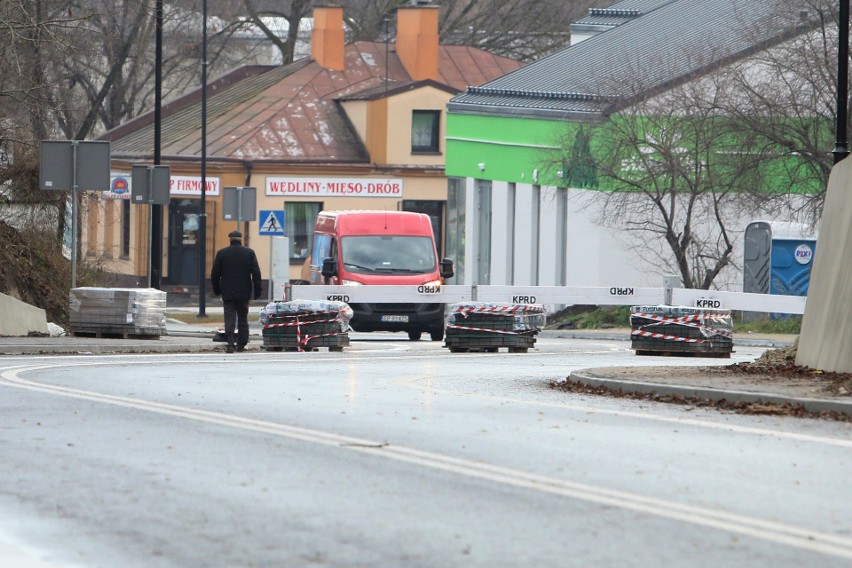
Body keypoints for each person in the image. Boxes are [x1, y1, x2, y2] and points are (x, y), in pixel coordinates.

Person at [211, 230, 262, 353]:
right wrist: (257, 290)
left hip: (227, 292)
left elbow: (215, 274)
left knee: (229, 318)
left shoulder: (222, 253)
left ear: (230, 239)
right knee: (243, 318)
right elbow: (256, 273)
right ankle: (241, 344)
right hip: (244, 291)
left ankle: (230, 343)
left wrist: (217, 290)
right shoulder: (249, 253)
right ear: (241, 239)